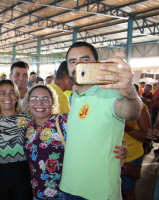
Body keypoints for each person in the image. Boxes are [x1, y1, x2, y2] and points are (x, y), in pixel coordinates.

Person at [59, 41, 142, 200]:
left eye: (85, 60)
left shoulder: (109, 92)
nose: (78, 65)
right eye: (72, 61)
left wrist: (130, 93)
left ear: (96, 64)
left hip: (98, 193)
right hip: (69, 187)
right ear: (68, 68)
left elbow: (131, 112)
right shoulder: (74, 96)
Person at [22, 84, 127, 200]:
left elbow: (98, 133)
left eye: (45, 99)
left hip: (64, 193)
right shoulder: (28, 127)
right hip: (37, 192)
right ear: (28, 103)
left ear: (52, 102)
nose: (40, 103)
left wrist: (122, 144)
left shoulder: (63, 121)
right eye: (34, 99)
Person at [0, 80, 32, 200]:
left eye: (12, 92)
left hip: (22, 181)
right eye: (2, 93)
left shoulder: (27, 121)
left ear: (17, 98)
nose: (7, 96)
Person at [121, 101, 151, 200]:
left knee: (127, 193)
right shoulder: (104, 102)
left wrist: (127, 128)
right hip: (107, 157)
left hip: (130, 158)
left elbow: (146, 137)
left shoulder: (138, 106)